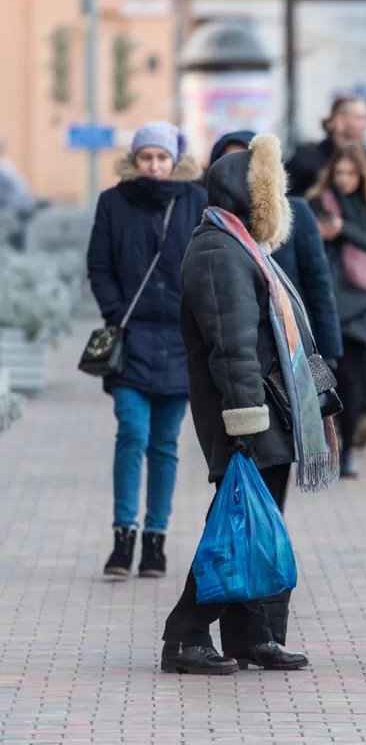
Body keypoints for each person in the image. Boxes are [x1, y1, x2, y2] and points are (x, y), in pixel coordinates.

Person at [162, 133, 335, 674]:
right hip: (248, 415)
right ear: (247, 194)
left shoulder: (242, 246)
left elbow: (282, 335)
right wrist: (244, 426)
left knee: (261, 524)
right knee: (236, 526)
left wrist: (307, 399)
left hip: (270, 410)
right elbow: (232, 347)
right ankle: (186, 634)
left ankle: (253, 635)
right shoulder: (218, 250)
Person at [86, 122, 207, 579]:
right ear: (135, 160)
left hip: (179, 340)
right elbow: (98, 265)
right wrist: (117, 313)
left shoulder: (195, 201)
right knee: (132, 432)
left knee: (165, 444)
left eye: (162, 157)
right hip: (131, 338)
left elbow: (206, 262)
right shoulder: (113, 203)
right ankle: (123, 537)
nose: (155, 166)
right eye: (146, 157)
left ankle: (156, 540)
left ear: (174, 160)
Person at [208, 131, 343, 367]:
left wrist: (329, 352)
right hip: (237, 352)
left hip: (295, 345)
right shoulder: (212, 223)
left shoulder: (297, 213)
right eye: (230, 163)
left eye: (247, 163)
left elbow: (318, 285)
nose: (240, 173)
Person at [307, 145, 366, 478]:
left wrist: (344, 229)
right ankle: (337, 445)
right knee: (336, 375)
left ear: (362, 176)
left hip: (365, 301)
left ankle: (350, 443)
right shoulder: (316, 204)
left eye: (350, 173)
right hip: (331, 300)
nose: (344, 180)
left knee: (357, 373)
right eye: (339, 173)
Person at [286, 95, 366, 211]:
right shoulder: (305, 158)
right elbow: (288, 197)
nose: (365, 125)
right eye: (359, 118)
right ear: (339, 120)